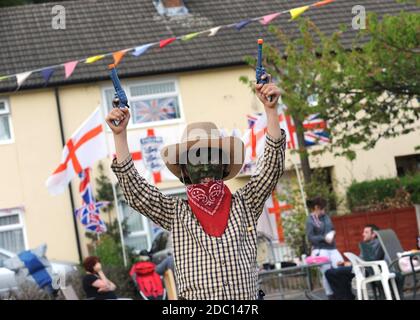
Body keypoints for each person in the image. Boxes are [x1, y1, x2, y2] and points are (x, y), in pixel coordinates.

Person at [106, 74, 286, 299]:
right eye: (196, 162)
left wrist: (271, 112)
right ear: (184, 172)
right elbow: (137, 192)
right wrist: (120, 136)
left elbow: (271, 168)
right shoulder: (176, 212)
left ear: (223, 167)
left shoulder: (245, 203)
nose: (205, 173)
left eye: (211, 162)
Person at [325, 224, 384, 300]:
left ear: (373, 234)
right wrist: (347, 263)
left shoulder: (376, 243)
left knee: (330, 273)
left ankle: (344, 297)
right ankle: (346, 297)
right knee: (340, 273)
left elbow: (370, 260)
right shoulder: (370, 244)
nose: (363, 234)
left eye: (366, 232)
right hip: (361, 267)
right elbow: (364, 259)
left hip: (365, 269)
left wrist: (351, 263)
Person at [305, 197, 343, 299]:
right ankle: (330, 295)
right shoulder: (310, 220)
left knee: (340, 267)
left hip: (332, 248)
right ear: (316, 207)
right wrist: (324, 238)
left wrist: (332, 233)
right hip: (320, 249)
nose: (324, 210)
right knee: (326, 273)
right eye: (322, 208)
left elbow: (332, 228)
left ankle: (341, 292)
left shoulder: (326, 217)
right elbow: (310, 237)